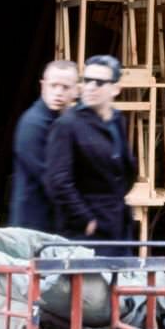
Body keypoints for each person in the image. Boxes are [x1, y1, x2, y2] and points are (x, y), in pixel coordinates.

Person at [44, 54, 137, 251]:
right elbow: (58, 181)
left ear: (115, 88)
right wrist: (86, 220)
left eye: (100, 82)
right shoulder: (67, 125)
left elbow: (124, 169)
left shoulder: (117, 120)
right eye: (87, 80)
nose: (91, 86)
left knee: (122, 280)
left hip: (117, 225)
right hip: (85, 233)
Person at [8, 60, 79, 230]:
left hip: (52, 222)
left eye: (65, 87)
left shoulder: (65, 121)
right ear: (43, 86)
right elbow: (52, 179)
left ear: (76, 90)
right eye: (53, 86)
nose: (58, 93)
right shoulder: (33, 124)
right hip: (32, 223)